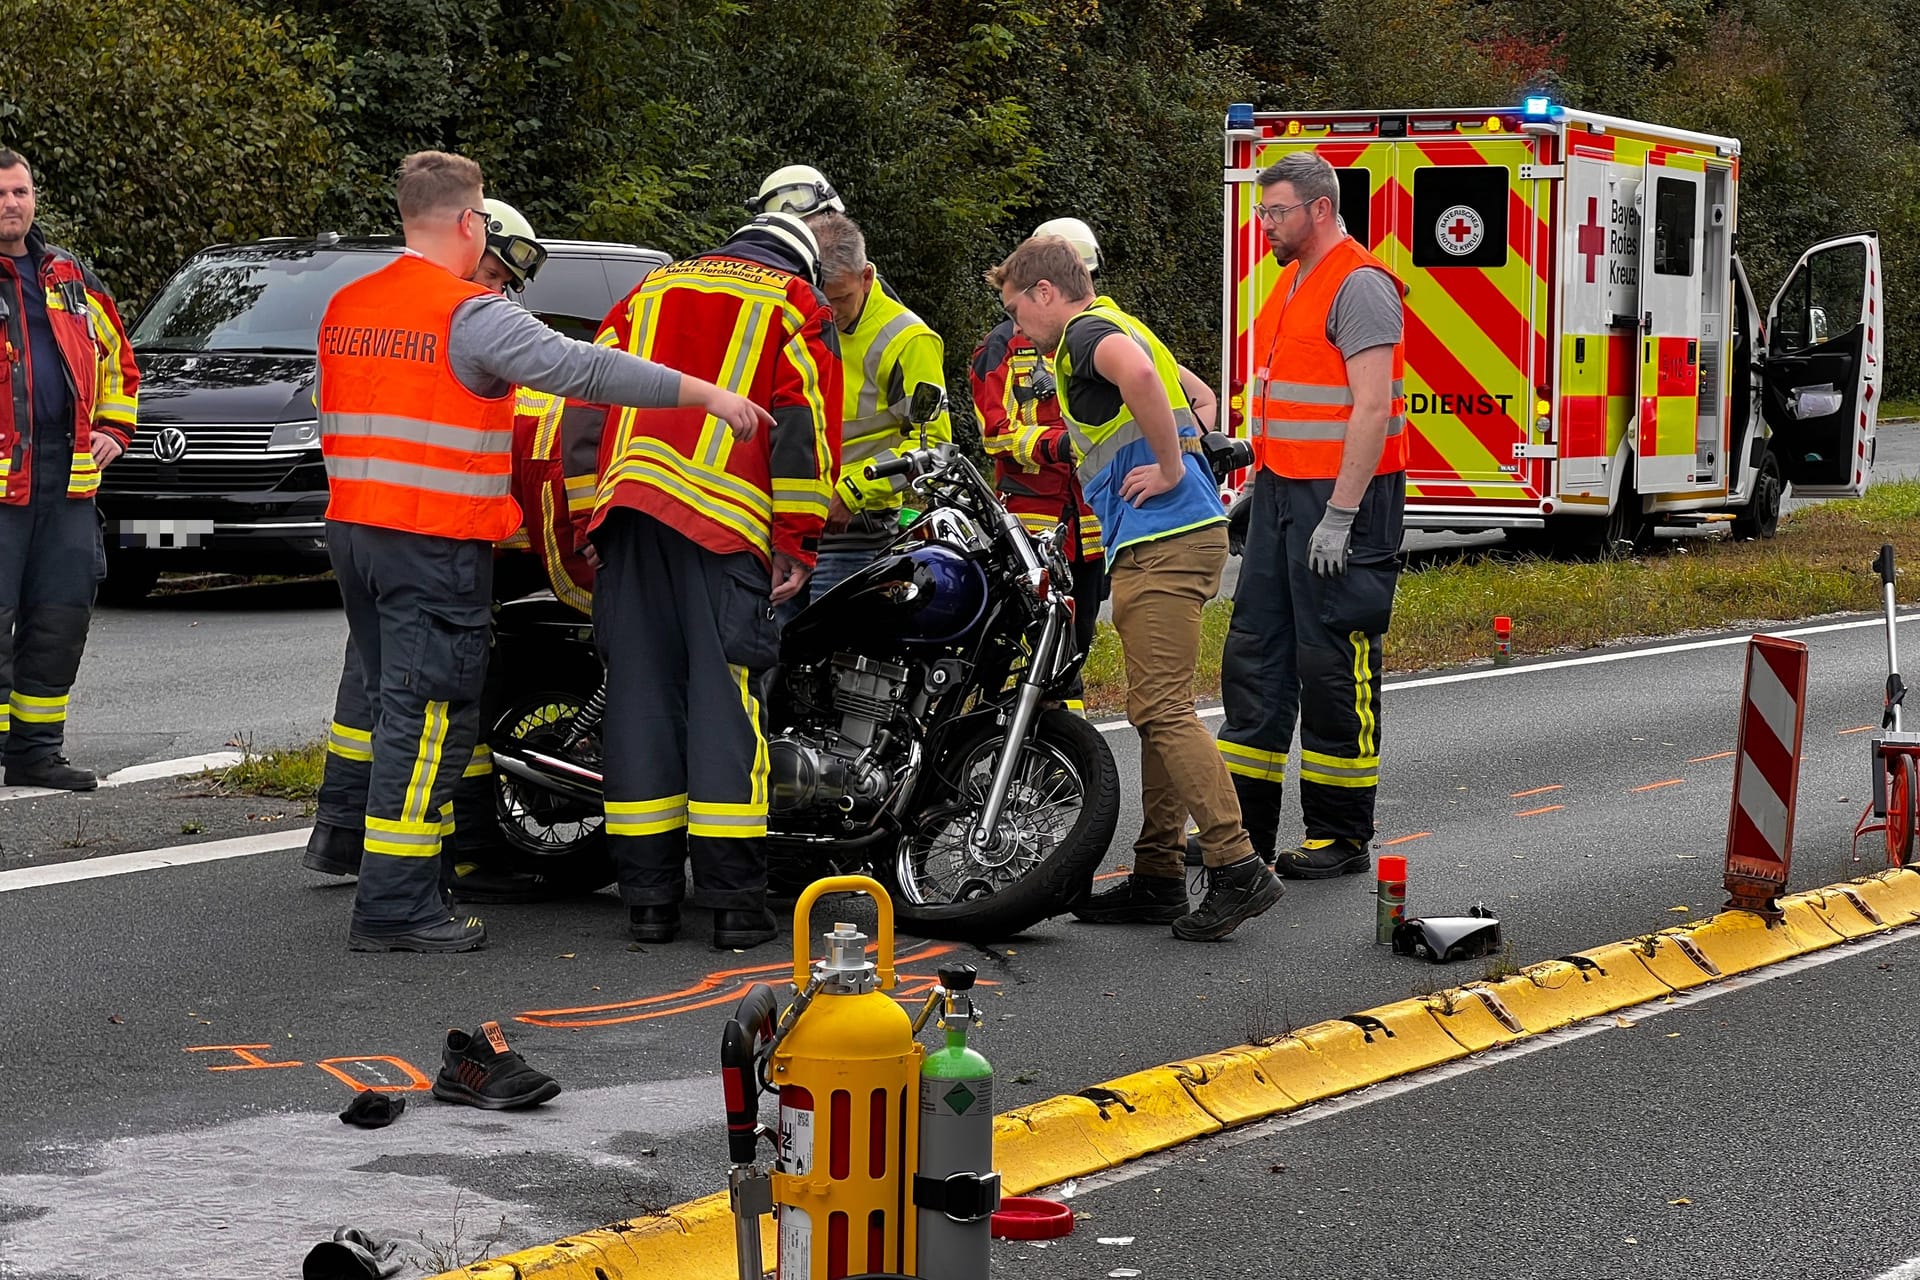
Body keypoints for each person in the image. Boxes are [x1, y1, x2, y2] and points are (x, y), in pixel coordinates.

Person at [318, 152, 772, 954]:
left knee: (396, 710)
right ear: (470, 223)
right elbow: (581, 369)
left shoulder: (348, 304)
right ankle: (395, 905)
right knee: (427, 723)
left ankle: (391, 872)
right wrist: (705, 394)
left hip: (358, 534)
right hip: (433, 541)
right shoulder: (467, 314)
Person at [987, 235, 1282, 942]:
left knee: (1163, 710)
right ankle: (1156, 877)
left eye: (1017, 311)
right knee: (1157, 709)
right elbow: (1199, 393)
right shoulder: (1122, 320)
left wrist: (1174, 468)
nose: (1016, 329)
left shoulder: (1089, 336)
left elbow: (1144, 380)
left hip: (1165, 541)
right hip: (1171, 538)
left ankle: (1236, 863)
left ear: (1046, 293)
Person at [565, 212, 840, 950]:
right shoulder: (794, 303)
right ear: (804, 263)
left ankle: (649, 904)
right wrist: (797, 541)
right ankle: (732, 906)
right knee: (727, 708)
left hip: (627, 518)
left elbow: (586, 405)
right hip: (725, 531)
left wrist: (587, 523)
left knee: (639, 703)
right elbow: (801, 424)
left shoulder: (649, 289)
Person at [304, 198, 583, 905]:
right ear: (470, 242)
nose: (497, 289)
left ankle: (368, 838)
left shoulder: (367, 310)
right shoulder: (464, 327)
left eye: (506, 281)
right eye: (492, 270)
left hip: (374, 534)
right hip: (437, 541)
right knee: (427, 702)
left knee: (389, 697)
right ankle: (404, 873)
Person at [1211, 150, 1408, 880]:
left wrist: (1341, 515)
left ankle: (1341, 834)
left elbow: (1372, 406)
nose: (1265, 224)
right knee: (1256, 654)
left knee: (1334, 661)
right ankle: (1243, 833)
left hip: (1343, 502)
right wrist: (1256, 474)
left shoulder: (1358, 285)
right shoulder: (1293, 280)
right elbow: (1289, 398)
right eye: (1263, 211)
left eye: (1276, 211)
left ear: (1318, 210)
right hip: (1285, 495)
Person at [0, 148, 139, 791]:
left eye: (21, 192)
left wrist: (114, 429)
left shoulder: (65, 274)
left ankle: (35, 752)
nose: (12, 204)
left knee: (60, 618)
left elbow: (117, 360)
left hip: (68, 479)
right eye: (1, 194)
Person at [971, 218, 1110, 712]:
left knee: (1075, 648)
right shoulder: (1001, 347)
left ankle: (1067, 754)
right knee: (1017, 650)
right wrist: (1063, 445)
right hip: (1031, 526)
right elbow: (996, 432)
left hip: (1090, 525)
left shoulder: (1096, 339)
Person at [800, 211, 949, 602]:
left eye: (842, 298)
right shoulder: (797, 315)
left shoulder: (907, 340)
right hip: (785, 521)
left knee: (821, 649)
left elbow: (933, 449)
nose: (830, 312)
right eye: (821, 298)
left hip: (852, 533)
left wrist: (851, 491)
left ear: (867, 277)